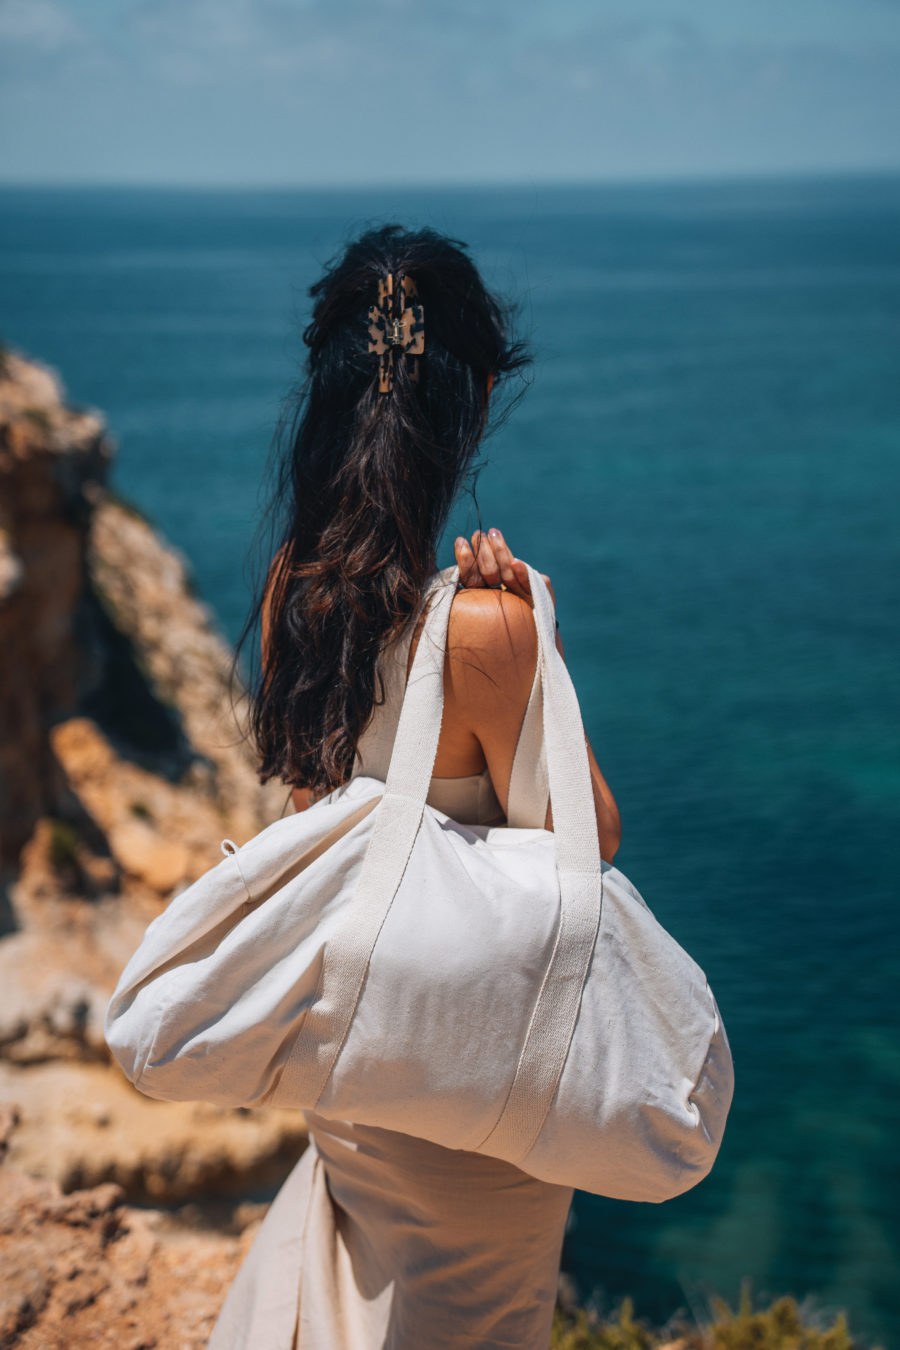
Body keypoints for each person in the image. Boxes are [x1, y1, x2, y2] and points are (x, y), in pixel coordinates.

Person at [208, 224, 621, 1350]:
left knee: (348, 1295)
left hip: (357, 1053)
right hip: (476, 1082)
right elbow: (594, 839)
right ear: (476, 400)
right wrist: (533, 642)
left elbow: (316, 817)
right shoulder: (490, 626)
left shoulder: (296, 591)